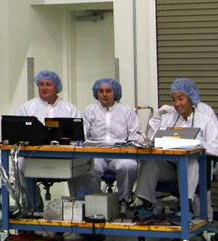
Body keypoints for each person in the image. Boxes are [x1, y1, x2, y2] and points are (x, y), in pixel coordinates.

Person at [131, 77, 218, 218]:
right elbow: (152, 140)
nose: (177, 104)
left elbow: (217, 148)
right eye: (174, 100)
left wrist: (195, 143)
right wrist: (157, 117)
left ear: (191, 98)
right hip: (171, 168)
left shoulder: (205, 118)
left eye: (181, 99)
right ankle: (145, 203)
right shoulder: (170, 117)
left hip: (197, 168)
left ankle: (186, 205)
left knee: (189, 160)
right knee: (151, 161)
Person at [15, 70, 81, 211]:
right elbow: (19, 132)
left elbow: (79, 136)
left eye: (48, 84)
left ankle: (77, 210)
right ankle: (33, 208)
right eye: (41, 84)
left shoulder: (69, 109)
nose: (44, 87)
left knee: (81, 166)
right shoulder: (27, 108)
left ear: (57, 87)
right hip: (35, 156)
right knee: (20, 165)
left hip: (64, 157)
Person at [82, 77, 140, 200]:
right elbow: (82, 135)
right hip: (96, 154)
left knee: (129, 166)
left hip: (120, 154)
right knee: (88, 168)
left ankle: (125, 201)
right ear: (96, 93)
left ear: (115, 93)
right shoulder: (90, 110)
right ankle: (96, 202)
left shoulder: (127, 111)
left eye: (108, 91)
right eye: (101, 91)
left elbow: (135, 136)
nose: (104, 94)